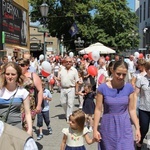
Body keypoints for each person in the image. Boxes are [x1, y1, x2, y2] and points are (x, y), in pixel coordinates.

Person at [93, 60, 141, 150]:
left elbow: (132, 110)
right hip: (108, 125)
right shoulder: (102, 88)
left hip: (124, 125)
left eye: (124, 74)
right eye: (118, 74)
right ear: (112, 71)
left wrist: (137, 128)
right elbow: (98, 109)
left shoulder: (129, 88)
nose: (121, 77)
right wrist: (95, 129)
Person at [0, 62, 32, 136]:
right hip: (1, 129)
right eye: (7, 74)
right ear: (4, 75)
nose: (10, 77)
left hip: (16, 129)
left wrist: (30, 129)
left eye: (13, 74)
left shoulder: (23, 92)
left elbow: (27, 113)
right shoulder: (0, 90)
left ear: (17, 75)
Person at [18, 58, 43, 131]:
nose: (20, 67)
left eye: (22, 65)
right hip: (18, 103)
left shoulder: (32, 75)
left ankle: (28, 140)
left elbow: (40, 90)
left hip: (30, 104)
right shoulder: (16, 76)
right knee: (18, 126)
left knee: (27, 126)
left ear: (27, 66)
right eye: (18, 65)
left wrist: (38, 105)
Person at [58, 56, 79, 122]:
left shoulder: (74, 70)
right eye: (67, 62)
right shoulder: (62, 70)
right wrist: (56, 79)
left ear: (72, 63)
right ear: (64, 62)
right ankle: (67, 113)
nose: (68, 63)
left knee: (70, 103)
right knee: (63, 102)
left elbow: (77, 81)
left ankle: (69, 117)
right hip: (63, 88)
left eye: (70, 62)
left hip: (71, 88)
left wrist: (76, 90)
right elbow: (60, 78)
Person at [135, 61, 150, 150]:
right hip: (144, 108)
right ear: (147, 69)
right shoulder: (141, 79)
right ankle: (139, 143)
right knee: (144, 129)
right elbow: (135, 94)